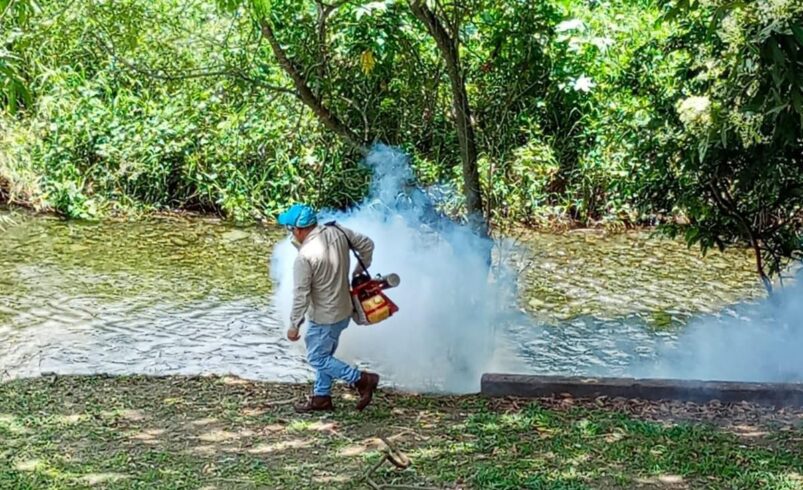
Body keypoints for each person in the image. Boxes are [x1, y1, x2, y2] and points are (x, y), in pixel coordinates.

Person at [277, 203, 380, 413]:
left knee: (317, 357)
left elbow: (301, 295)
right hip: (344, 310)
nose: (291, 234)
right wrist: (359, 270)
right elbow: (367, 244)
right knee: (325, 354)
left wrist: (294, 325)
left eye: (290, 229)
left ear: (299, 229)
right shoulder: (338, 231)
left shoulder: (304, 257)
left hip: (324, 316)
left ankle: (361, 380)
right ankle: (321, 397)